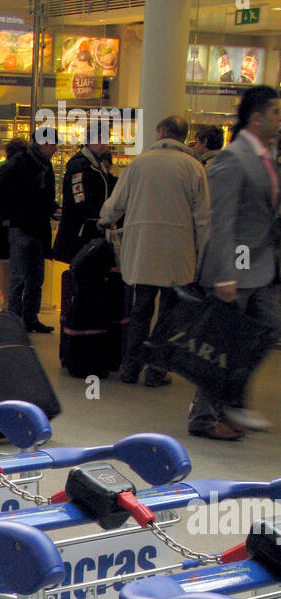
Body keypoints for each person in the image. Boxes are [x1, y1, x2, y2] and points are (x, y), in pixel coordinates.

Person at [187, 87, 281, 439]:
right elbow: (221, 219)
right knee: (223, 344)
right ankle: (207, 415)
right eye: (274, 112)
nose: (279, 119)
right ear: (256, 118)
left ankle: (231, 402)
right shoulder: (232, 159)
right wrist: (224, 272)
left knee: (263, 334)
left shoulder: (265, 158)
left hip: (261, 268)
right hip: (236, 271)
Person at [99, 115, 210, 394]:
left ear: (161, 133)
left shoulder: (139, 163)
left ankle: (130, 367)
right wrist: (204, 253)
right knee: (169, 314)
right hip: (178, 252)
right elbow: (204, 217)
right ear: (184, 138)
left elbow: (116, 204)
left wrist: (104, 219)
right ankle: (157, 370)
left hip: (144, 249)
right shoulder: (193, 167)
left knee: (140, 310)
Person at [0, 126, 60, 332]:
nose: (55, 148)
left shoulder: (39, 164)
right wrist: (5, 216)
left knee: (32, 276)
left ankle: (26, 318)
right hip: (25, 227)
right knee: (23, 276)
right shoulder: (24, 163)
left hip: (31, 227)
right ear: (43, 144)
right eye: (53, 144)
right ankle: (18, 319)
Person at [51, 141, 112, 264]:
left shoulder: (97, 165)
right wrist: (96, 218)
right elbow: (79, 199)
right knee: (80, 270)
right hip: (80, 231)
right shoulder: (79, 166)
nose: (103, 144)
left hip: (90, 229)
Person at [0, 138, 28, 305]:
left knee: (4, 265)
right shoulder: (22, 170)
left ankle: (6, 301)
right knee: (18, 266)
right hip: (16, 223)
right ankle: (15, 302)